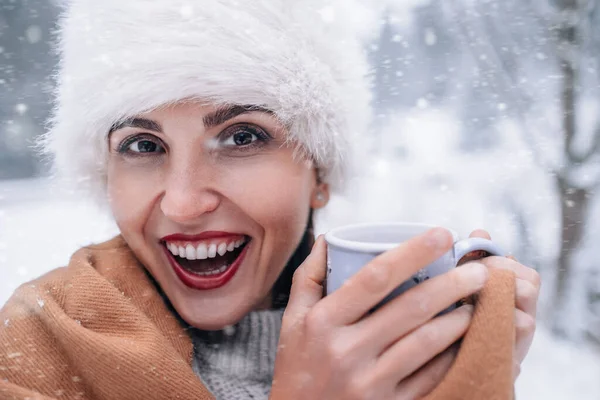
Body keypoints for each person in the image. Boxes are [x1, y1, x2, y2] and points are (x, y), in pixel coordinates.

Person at [0, 0, 540, 399]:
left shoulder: (412, 350)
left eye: (242, 136)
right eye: (143, 145)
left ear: (321, 171)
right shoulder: (34, 347)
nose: (184, 204)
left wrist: (474, 370)